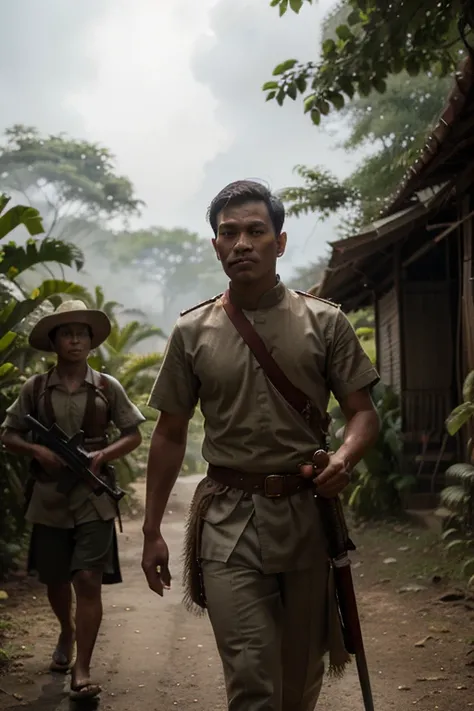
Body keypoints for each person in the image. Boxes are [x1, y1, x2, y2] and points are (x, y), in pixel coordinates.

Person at [141, 180, 380, 711]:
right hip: (227, 522)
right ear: (216, 246)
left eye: (255, 231)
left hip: (306, 518)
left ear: (281, 242)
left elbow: (363, 413)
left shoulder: (325, 321)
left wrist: (344, 457)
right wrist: (152, 528)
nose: (242, 243)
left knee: (299, 680)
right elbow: (170, 432)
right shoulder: (191, 331)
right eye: (229, 233)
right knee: (251, 679)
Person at [1, 300, 146, 701]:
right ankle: (65, 630)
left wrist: (103, 456)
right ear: (54, 341)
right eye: (67, 333)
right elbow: (8, 435)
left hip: (93, 499)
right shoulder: (35, 388)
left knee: (87, 578)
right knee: (55, 578)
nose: (76, 340)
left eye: (82, 333)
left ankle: (82, 667)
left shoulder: (105, 387)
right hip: (49, 498)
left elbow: (133, 432)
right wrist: (38, 453)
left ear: (91, 341)